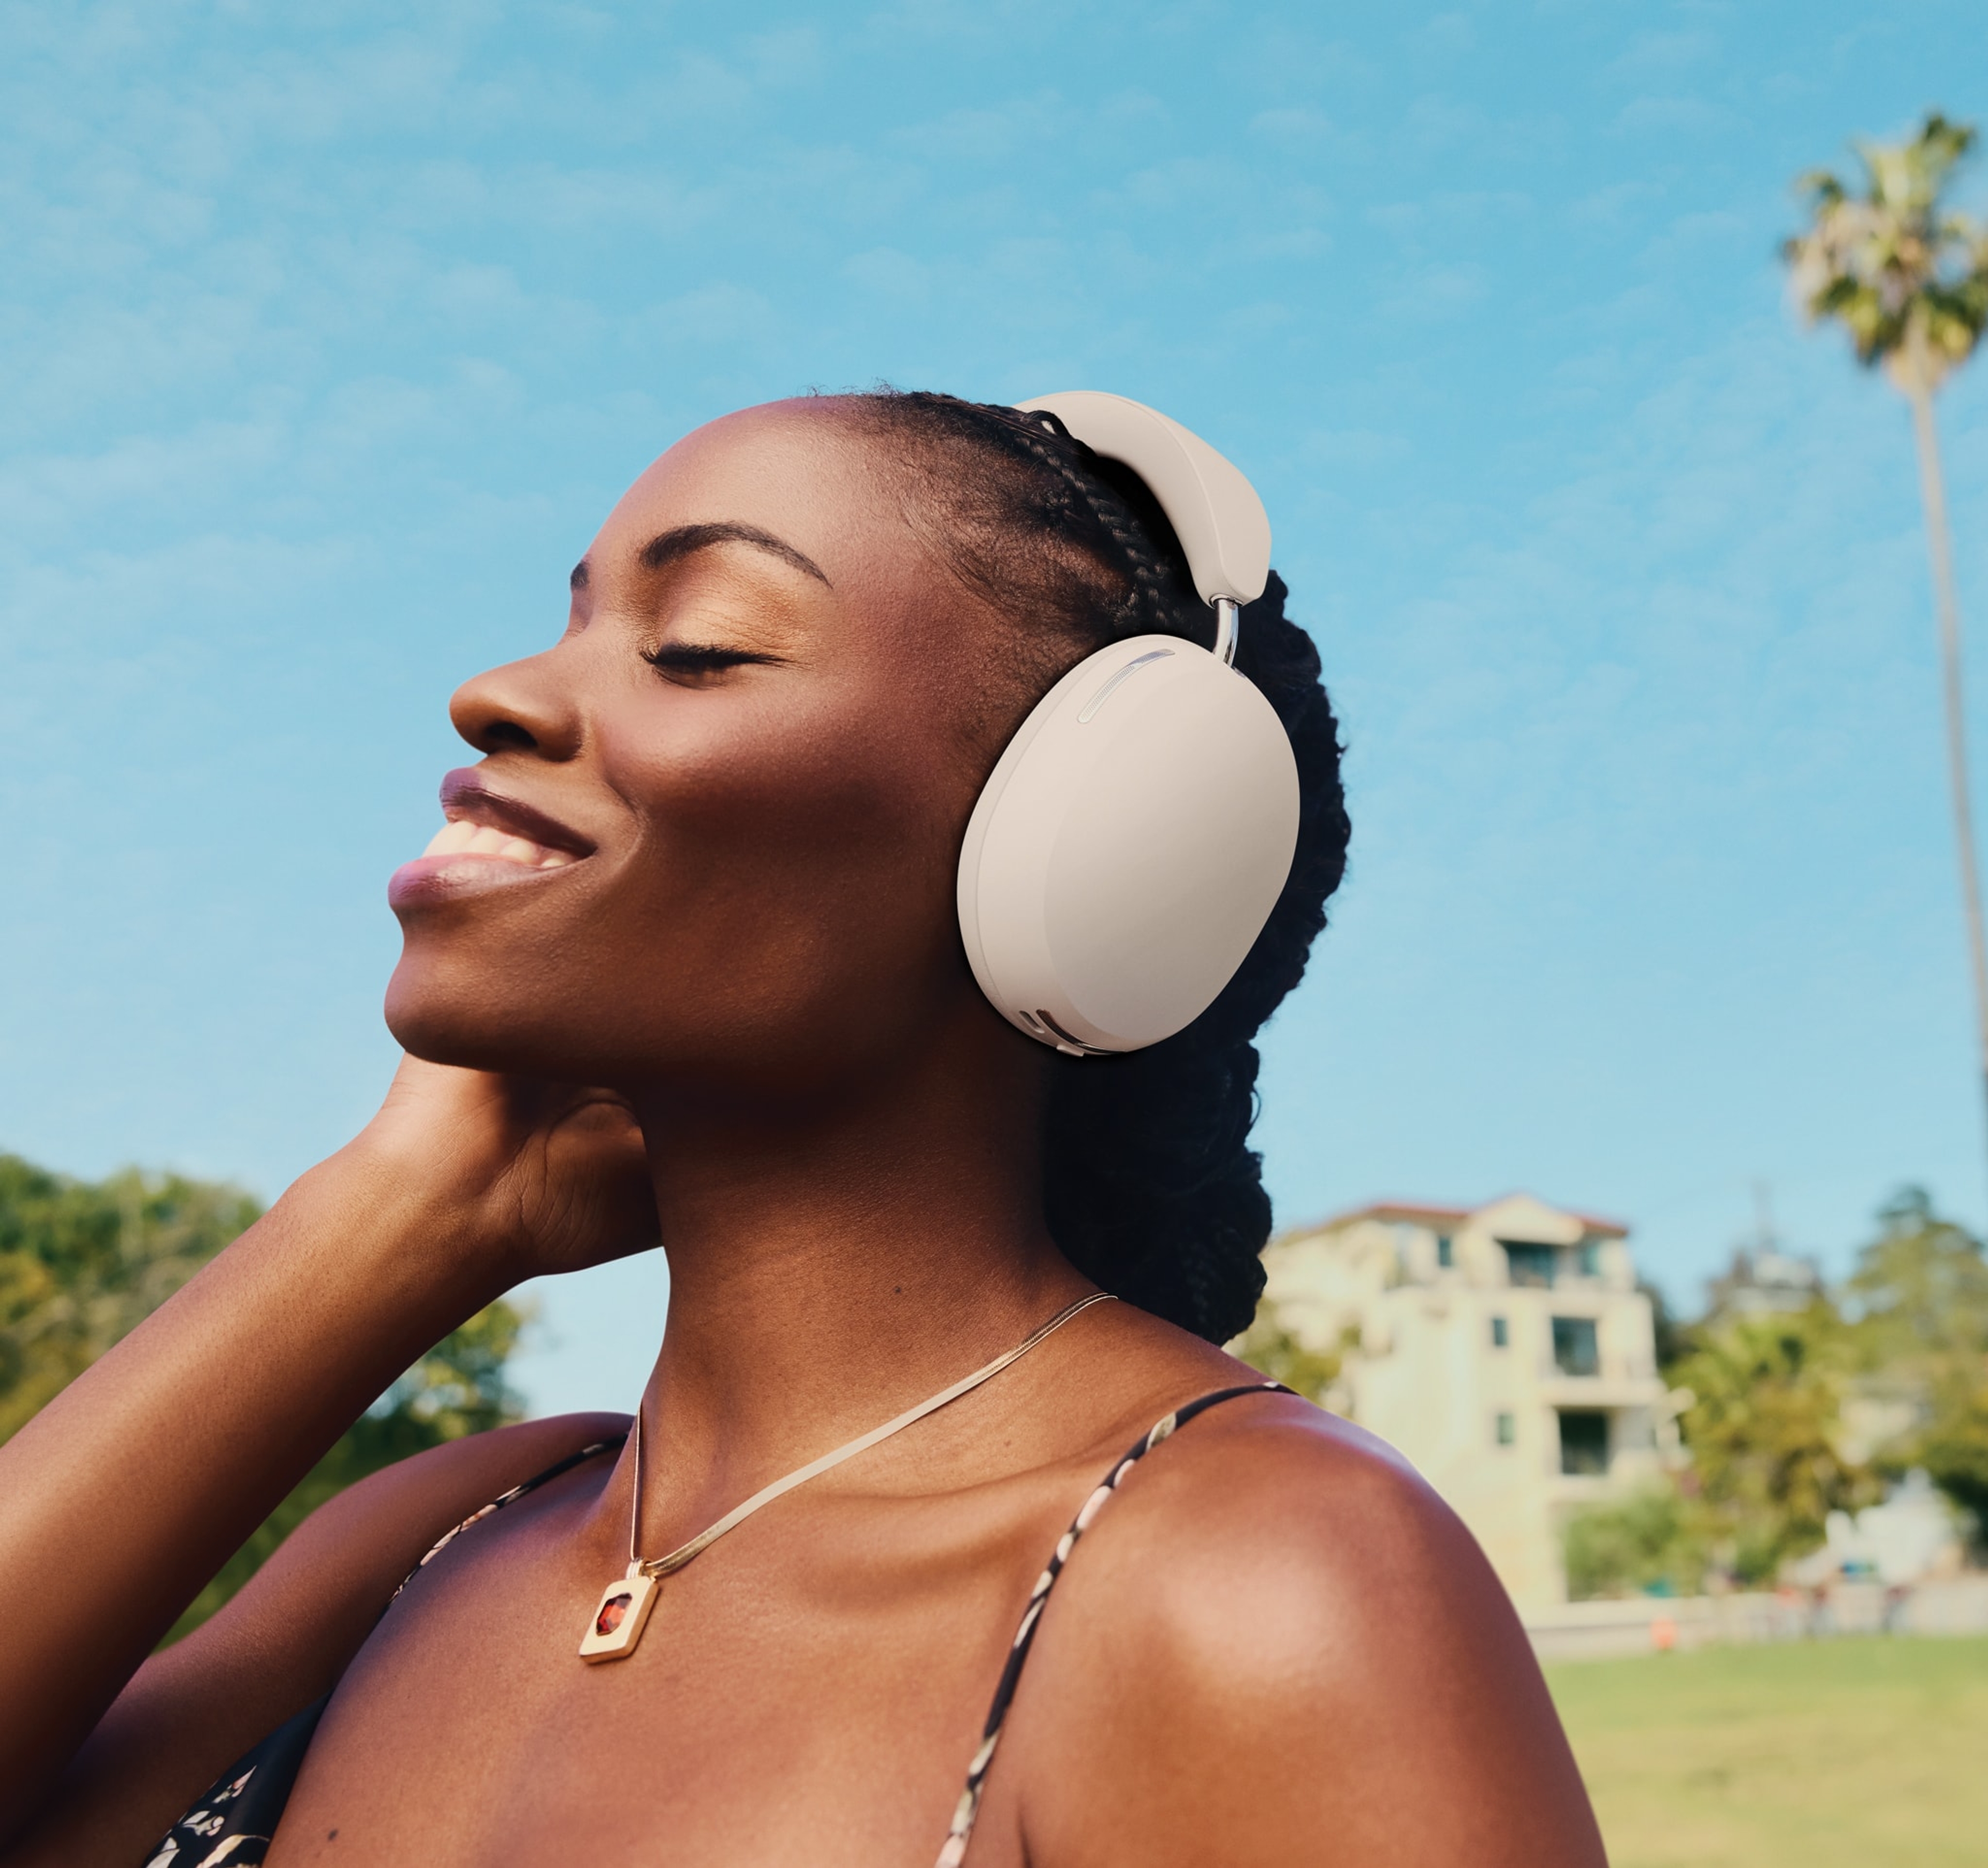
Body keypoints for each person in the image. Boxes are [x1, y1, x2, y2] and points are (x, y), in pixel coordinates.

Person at [0, 391, 1607, 1866]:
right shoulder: (447, 1528)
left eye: (695, 645)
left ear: (1082, 848)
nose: (494, 694)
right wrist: (399, 1216)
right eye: (571, 620)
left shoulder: (1260, 1585)